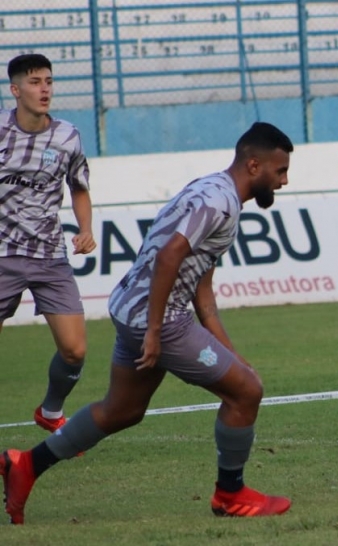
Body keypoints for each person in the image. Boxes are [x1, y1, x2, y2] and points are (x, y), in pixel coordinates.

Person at [0, 122, 294, 524]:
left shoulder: (212, 190)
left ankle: (27, 464)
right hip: (160, 321)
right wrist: (155, 331)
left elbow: (202, 291)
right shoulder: (220, 203)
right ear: (255, 164)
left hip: (132, 310)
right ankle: (230, 494)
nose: (284, 180)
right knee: (247, 394)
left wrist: (232, 355)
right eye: (280, 171)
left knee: (121, 411)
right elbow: (170, 255)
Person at [0, 54, 95, 433]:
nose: (44, 89)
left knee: (75, 351)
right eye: (36, 82)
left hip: (49, 256)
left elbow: (79, 187)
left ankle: (50, 411)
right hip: (2, 254)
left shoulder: (67, 135)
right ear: (15, 90)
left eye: (49, 81)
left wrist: (85, 227)